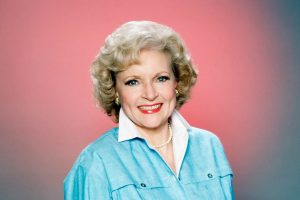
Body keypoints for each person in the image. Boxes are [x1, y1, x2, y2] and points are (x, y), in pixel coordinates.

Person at [64, 21, 234, 199]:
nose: (150, 94)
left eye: (161, 78)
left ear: (177, 82)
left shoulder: (209, 146)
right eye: (133, 82)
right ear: (115, 90)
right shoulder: (95, 162)